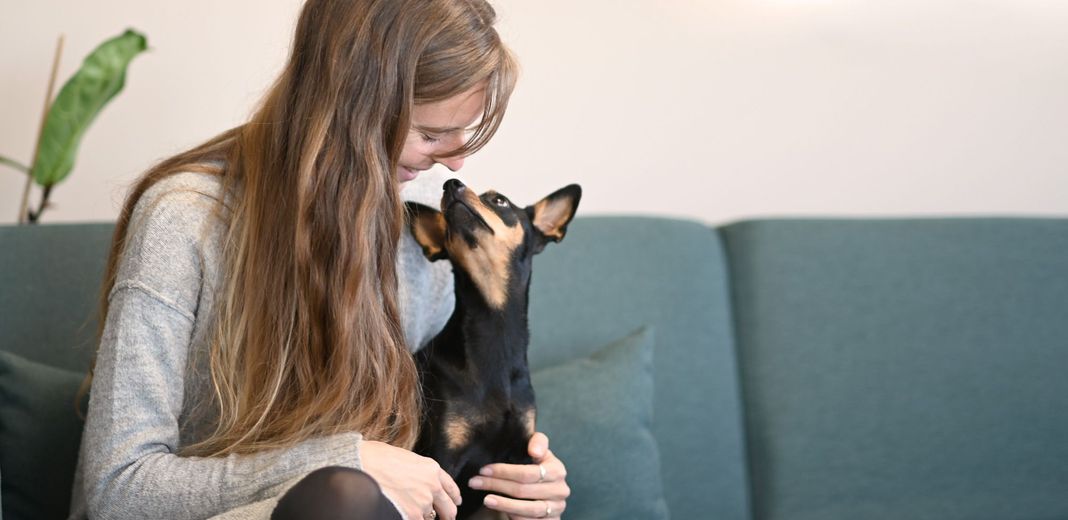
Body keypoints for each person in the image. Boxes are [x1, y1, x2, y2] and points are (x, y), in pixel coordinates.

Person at [66, 1, 571, 519]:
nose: (456, 161)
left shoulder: (415, 247)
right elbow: (117, 489)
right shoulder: (184, 222)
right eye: (429, 135)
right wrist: (340, 462)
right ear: (350, 105)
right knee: (341, 500)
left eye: (461, 135)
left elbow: (428, 465)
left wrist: (516, 487)